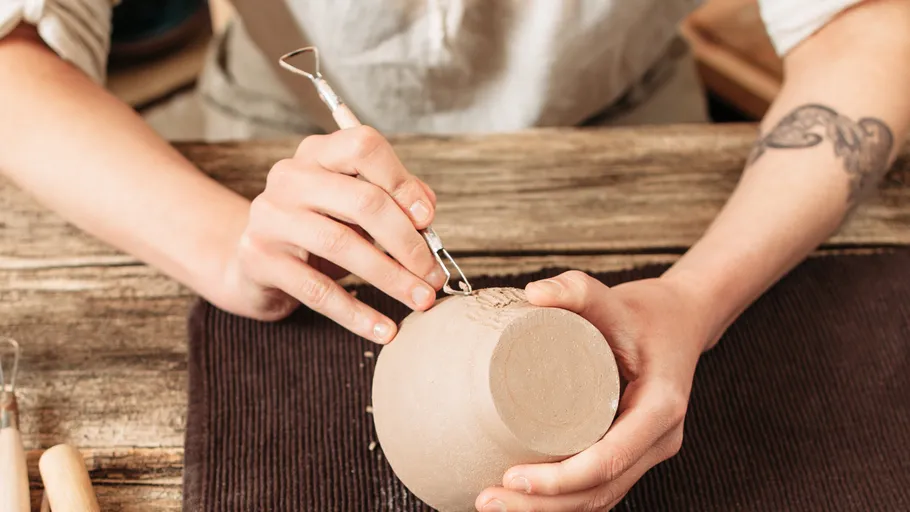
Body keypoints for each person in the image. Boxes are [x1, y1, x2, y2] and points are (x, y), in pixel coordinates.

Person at [1, 1, 907, 510]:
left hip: (630, 138)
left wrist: (695, 302)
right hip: (281, 143)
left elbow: (871, 28)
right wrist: (221, 239)